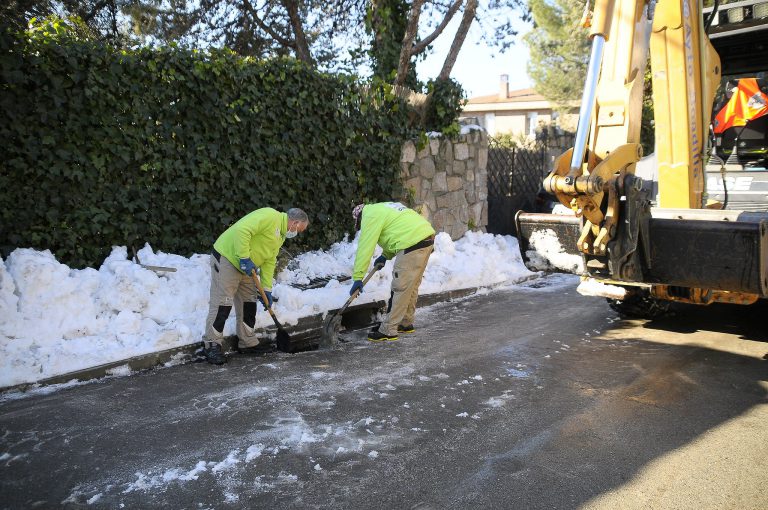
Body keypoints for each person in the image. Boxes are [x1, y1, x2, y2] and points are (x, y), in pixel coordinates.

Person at [202, 207, 309, 365]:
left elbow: (270, 260)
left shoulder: (281, 235)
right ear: (295, 222)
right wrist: (244, 257)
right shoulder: (270, 216)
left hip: (246, 267)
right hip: (229, 258)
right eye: (299, 230)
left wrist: (266, 289)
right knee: (222, 303)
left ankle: (247, 342)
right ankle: (212, 344)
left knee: (249, 303)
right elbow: (242, 230)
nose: (297, 233)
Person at [350, 202, 435, 342]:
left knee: (400, 287)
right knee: (411, 285)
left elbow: (365, 248)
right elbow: (398, 232)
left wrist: (358, 277)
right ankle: (405, 322)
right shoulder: (382, 208)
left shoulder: (369, 216)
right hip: (426, 237)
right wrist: (385, 255)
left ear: (360, 218)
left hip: (412, 243)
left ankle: (388, 330)